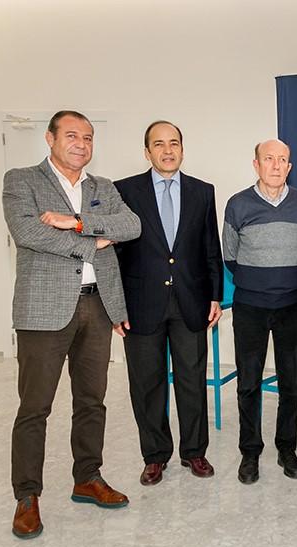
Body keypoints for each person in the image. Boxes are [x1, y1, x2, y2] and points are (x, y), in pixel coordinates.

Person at [2, 110, 141, 539]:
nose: (81, 143)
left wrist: (77, 221)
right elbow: (28, 233)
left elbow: (131, 225)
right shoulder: (22, 180)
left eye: (88, 137)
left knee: (92, 400)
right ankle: (27, 497)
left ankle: (88, 478)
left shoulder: (102, 187)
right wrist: (93, 242)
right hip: (43, 311)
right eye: (72, 135)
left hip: (97, 307)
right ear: (50, 138)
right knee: (35, 407)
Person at [114, 120, 223, 486]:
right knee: (147, 384)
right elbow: (114, 254)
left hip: (191, 302)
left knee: (192, 381)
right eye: (158, 144)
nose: (167, 150)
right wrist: (115, 305)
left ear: (182, 148)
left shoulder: (202, 191)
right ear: (147, 152)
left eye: (174, 143)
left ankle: (194, 452)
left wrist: (215, 296)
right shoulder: (124, 191)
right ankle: (155, 455)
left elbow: (211, 248)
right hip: (141, 304)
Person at [223, 139, 297, 484]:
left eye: (283, 160)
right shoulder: (238, 204)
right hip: (251, 308)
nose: (276, 165)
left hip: (292, 307)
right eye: (269, 159)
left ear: (289, 167)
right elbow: (230, 255)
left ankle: (286, 448)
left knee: (290, 384)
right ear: (256, 164)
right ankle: (250, 452)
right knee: (248, 382)